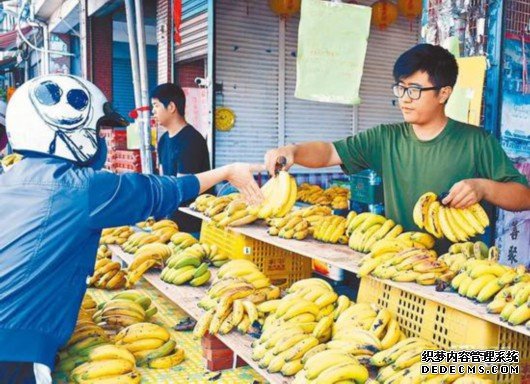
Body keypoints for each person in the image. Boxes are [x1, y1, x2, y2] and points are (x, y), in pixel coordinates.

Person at [0, 74, 263, 383]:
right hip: (14, 349)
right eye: (98, 130)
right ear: (69, 130)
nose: (101, 140)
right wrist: (228, 171)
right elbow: (159, 191)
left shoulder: (10, 178)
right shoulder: (80, 189)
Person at [264, 44, 530, 249]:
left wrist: (483, 187)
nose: (404, 99)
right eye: (400, 89)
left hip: (458, 277)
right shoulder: (385, 138)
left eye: (414, 90)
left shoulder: (476, 142)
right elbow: (330, 152)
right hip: (397, 262)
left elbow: (523, 196)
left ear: (444, 93)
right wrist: (294, 151)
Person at [151, 83, 211, 235]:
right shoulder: (163, 140)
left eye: (156, 105)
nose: (153, 111)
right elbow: (163, 180)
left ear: (171, 107)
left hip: (191, 228)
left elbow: (184, 189)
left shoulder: (192, 141)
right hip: (170, 223)